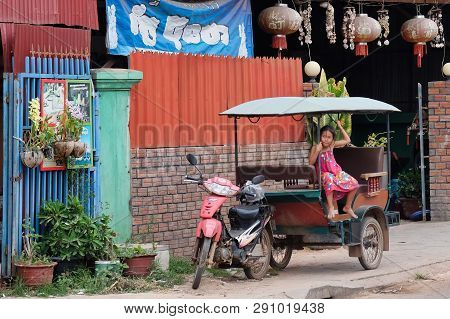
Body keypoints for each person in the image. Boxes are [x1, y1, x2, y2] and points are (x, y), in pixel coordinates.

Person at [309, 121, 359, 220]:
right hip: (324, 174)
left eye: (329, 137)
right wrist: (318, 151)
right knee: (328, 178)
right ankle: (331, 207)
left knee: (355, 183)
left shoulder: (332, 145)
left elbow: (347, 140)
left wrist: (340, 126)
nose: (326, 139)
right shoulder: (315, 147)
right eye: (324, 136)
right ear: (320, 136)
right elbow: (311, 162)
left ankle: (347, 207)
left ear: (332, 139)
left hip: (336, 173)